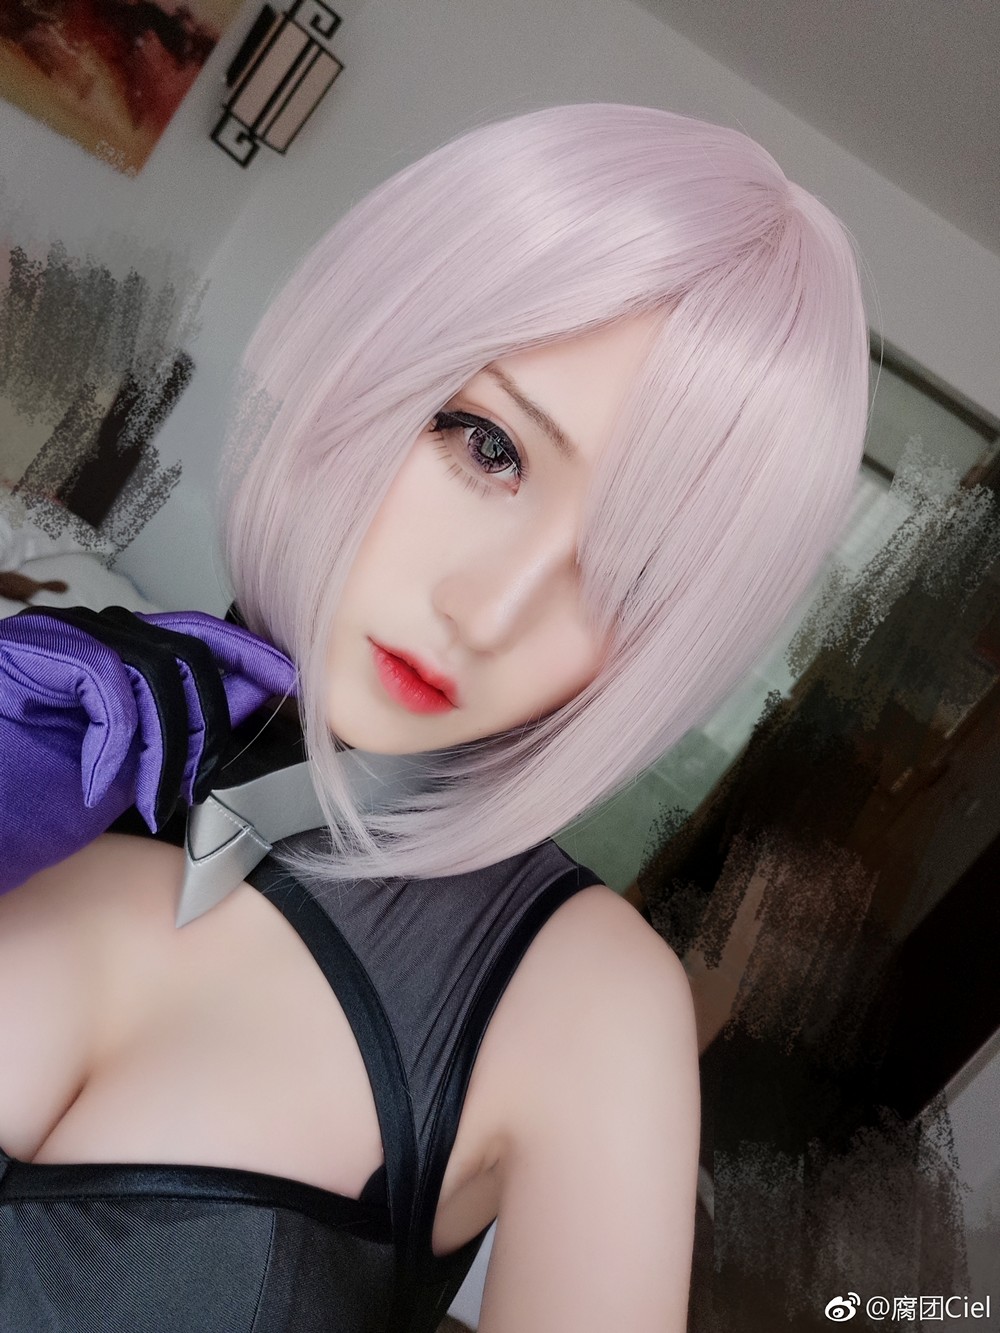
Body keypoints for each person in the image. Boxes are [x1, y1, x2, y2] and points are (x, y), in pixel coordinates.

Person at [0, 103, 869, 1332]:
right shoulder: (49, 695)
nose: (489, 610)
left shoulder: (580, 1002)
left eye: (623, 577)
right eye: (490, 446)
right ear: (371, 354)